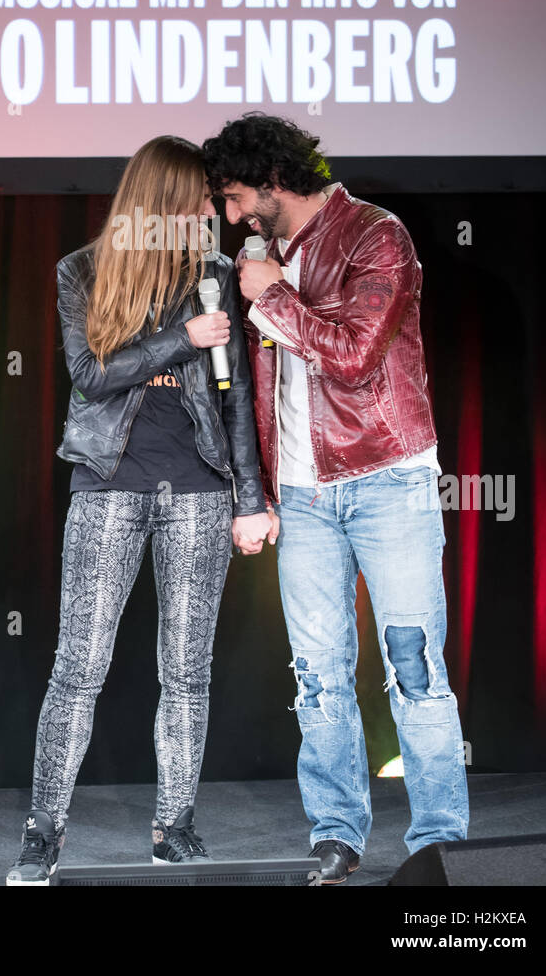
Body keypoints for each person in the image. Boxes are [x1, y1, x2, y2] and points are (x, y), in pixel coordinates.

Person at [202, 111, 469, 885]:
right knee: (317, 676)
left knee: (413, 668)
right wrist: (256, 490)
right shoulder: (265, 259)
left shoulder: (375, 235)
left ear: (272, 181)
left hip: (387, 477)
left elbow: (353, 357)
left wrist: (274, 298)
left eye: (232, 197)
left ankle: (439, 844)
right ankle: (336, 835)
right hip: (302, 494)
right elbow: (257, 387)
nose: (229, 217)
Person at [6, 135, 270, 885]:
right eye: (198, 199)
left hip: (197, 488)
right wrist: (178, 340)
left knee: (186, 671)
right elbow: (91, 376)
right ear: (163, 199)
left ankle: (174, 824)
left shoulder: (216, 274)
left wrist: (249, 500)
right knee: (78, 669)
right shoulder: (83, 271)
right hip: (109, 486)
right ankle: (42, 833)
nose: (210, 213)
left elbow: (238, 398)